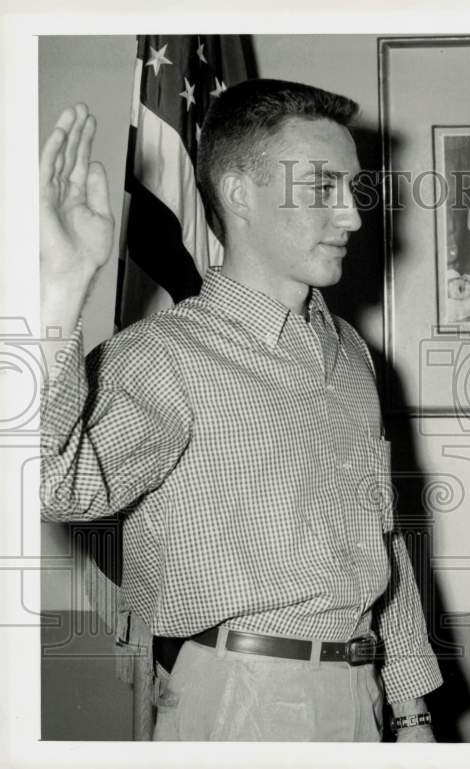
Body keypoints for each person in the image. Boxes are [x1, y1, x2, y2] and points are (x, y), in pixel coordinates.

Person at [38, 80, 441, 741]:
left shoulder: (351, 354)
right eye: (323, 188)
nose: (353, 217)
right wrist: (62, 291)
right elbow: (53, 484)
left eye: (353, 189)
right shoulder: (165, 356)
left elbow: (383, 543)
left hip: (360, 693)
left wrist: (412, 709)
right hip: (238, 704)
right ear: (239, 194)